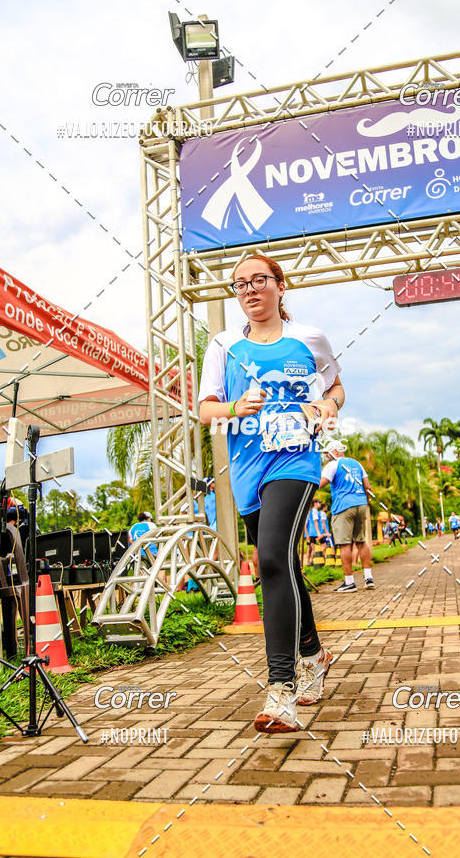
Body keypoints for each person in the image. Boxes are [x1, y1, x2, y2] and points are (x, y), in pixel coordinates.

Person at [198, 252, 342, 734]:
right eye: (239, 284)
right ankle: (315, 656)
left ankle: (281, 690)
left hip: (295, 460)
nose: (249, 290)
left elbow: (336, 385)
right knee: (285, 565)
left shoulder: (309, 339)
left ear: (280, 286)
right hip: (247, 467)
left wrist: (325, 402)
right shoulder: (223, 345)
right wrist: (235, 406)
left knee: (273, 561)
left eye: (259, 280)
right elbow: (206, 412)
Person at [320, 441, 374, 592]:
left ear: (335, 452)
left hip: (343, 506)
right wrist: (365, 503)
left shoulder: (333, 465)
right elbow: (368, 487)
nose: (326, 457)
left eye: (328, 453)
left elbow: (321, 483)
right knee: (361, 541)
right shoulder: (357, 464)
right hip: (361, 503)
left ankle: (349, 582)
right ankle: (368, 578)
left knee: (345, 544)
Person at [304, 497, 326, 565]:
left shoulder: (312, 511)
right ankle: (312, 561)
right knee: (316, 548)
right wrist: (318, 532)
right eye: (319, 502)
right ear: (315, 503)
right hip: (314, 533)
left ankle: (311, 561)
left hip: (312, 533)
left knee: (312, 549)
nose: (320, 504)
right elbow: (315, 522)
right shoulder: (314, 511)